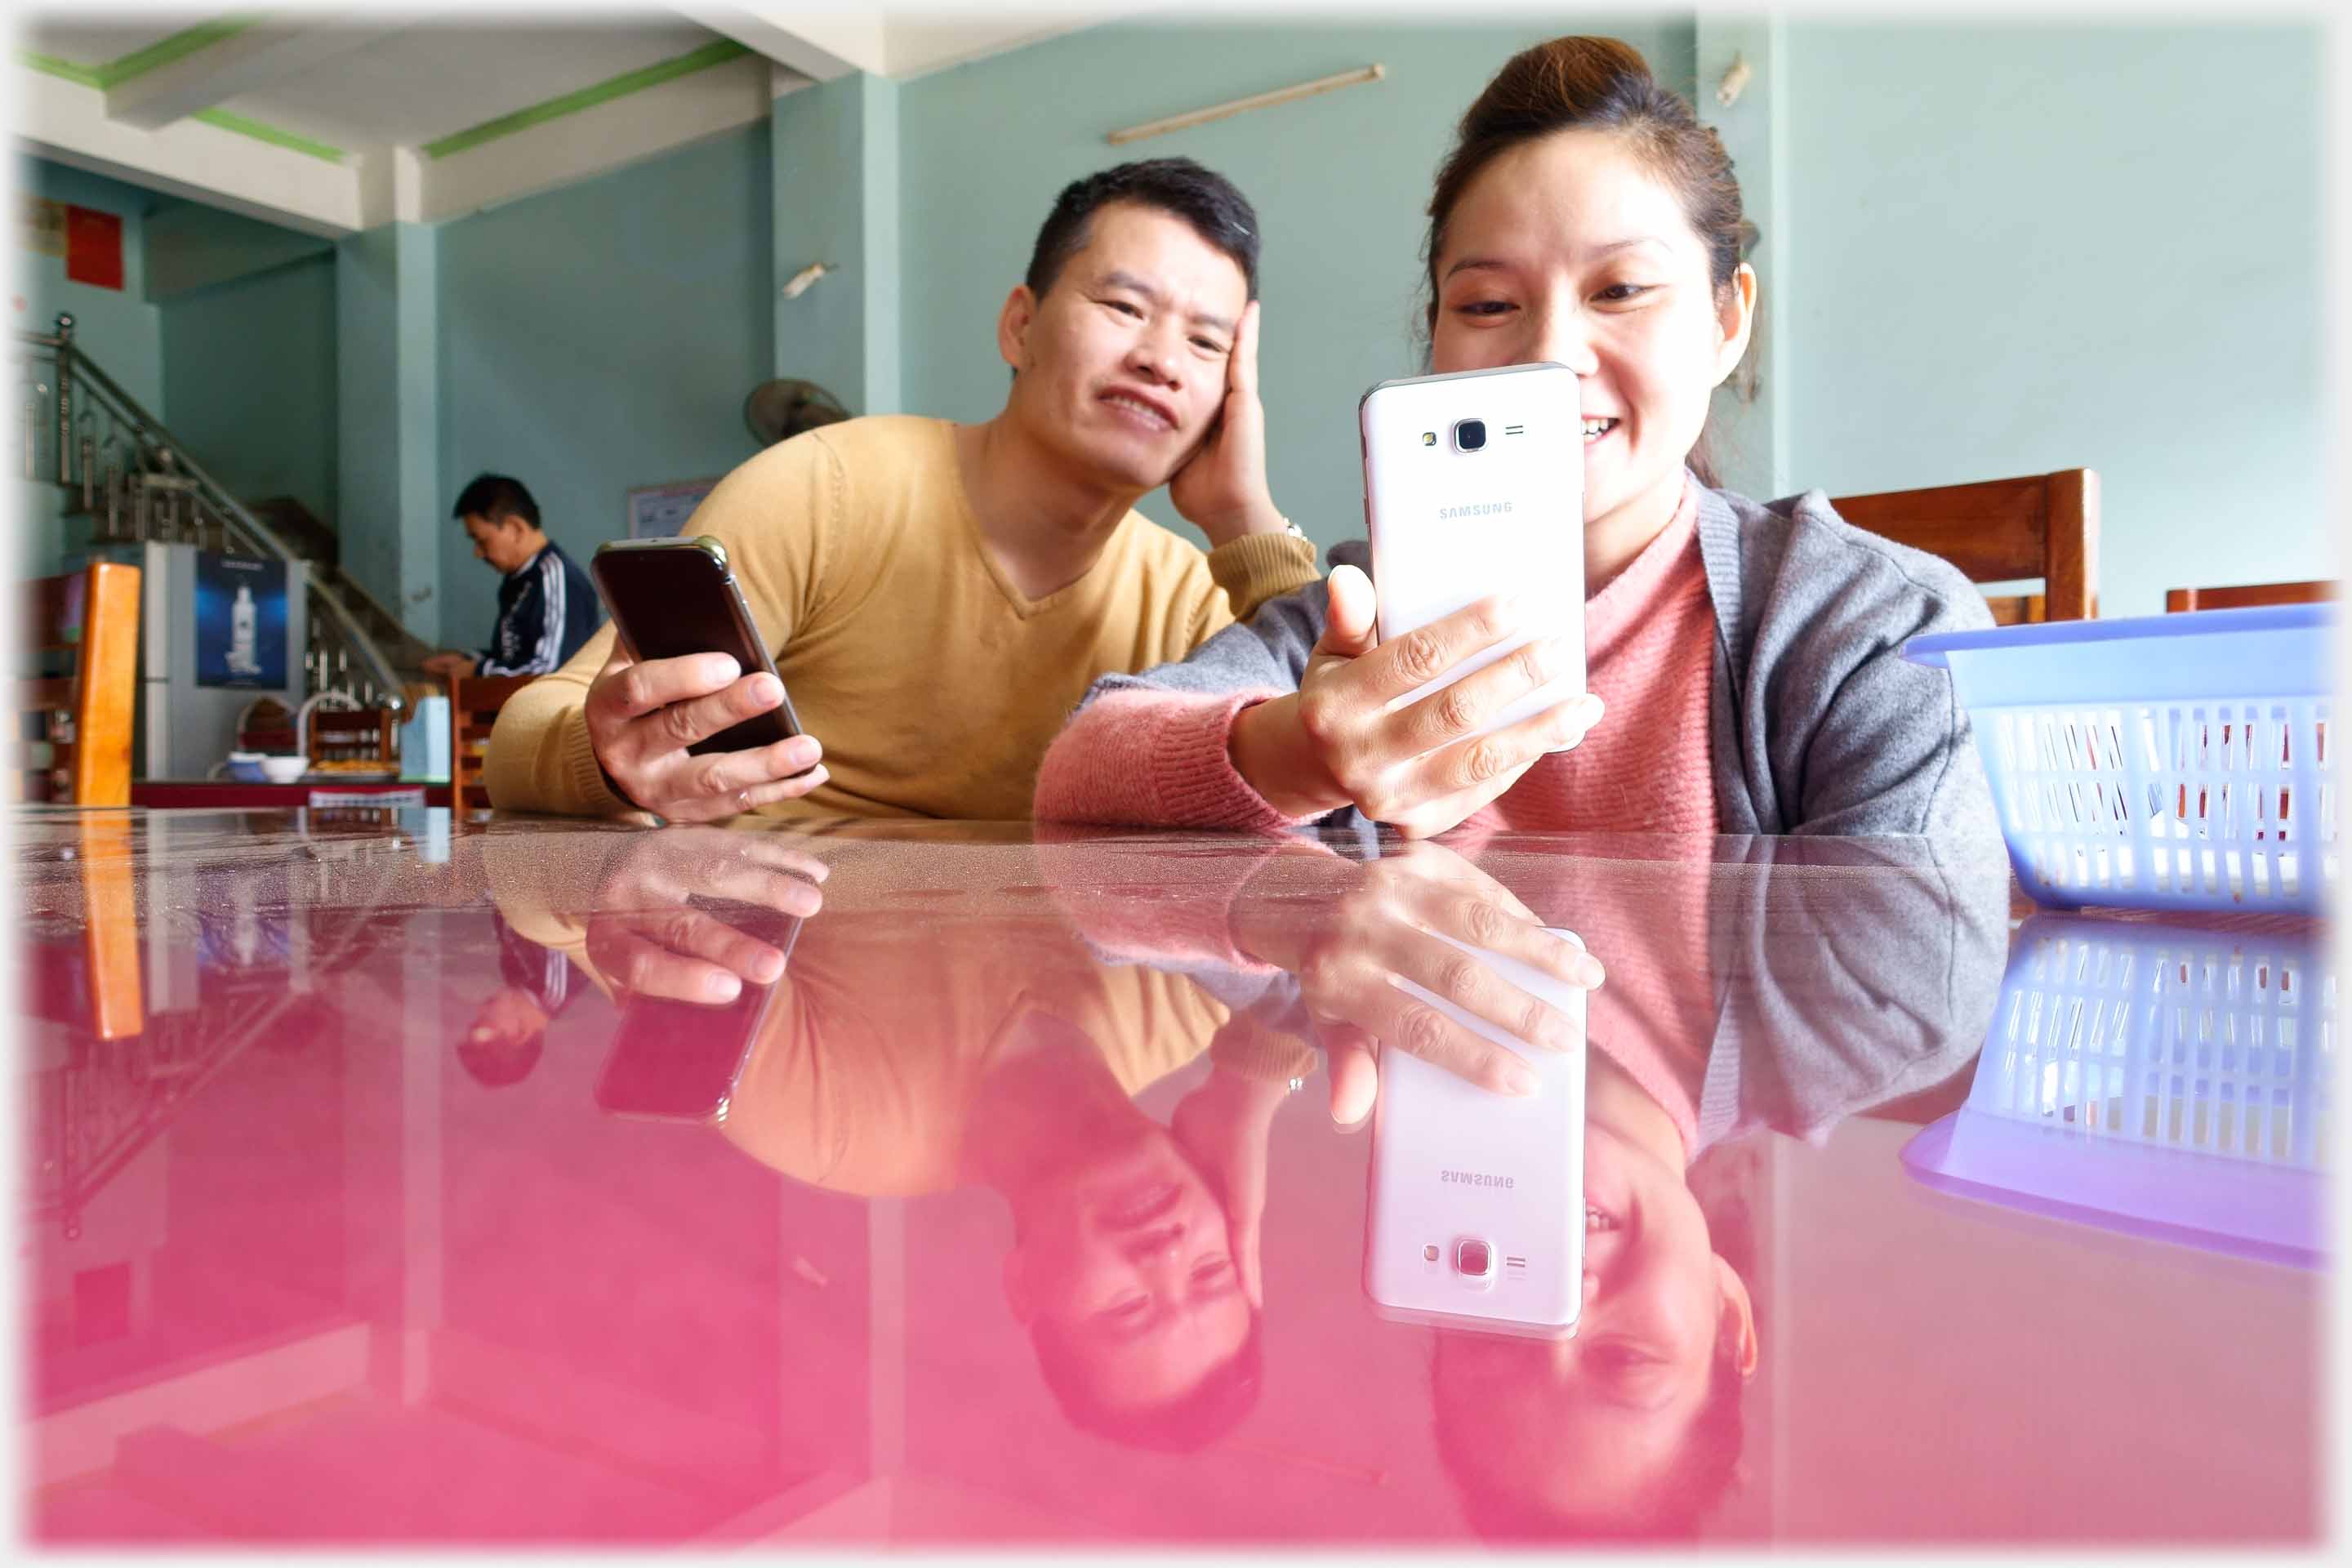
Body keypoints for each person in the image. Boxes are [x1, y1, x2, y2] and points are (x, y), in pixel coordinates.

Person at [1035, 36, 1998, 842]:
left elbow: (1896, 1018)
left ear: (1726, 319)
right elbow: (1082, 768)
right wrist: (1297, 755)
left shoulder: (1871, 632)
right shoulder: (1356, 616)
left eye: (1620, 290)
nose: (1549, 357)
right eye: (1490, 303)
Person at [486, 158, 1321, 824]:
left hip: (1058, 1000)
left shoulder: (1187, 594)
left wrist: (1243, 519)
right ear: (1020, 325)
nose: (1162, 360)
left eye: (1208, 343)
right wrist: (609, 763)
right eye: (1123, 306)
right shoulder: (828, 489)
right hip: (775, 980)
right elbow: (524, 732)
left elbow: (1345, 764)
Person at [421, 474, 600, 682]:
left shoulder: (556, 577)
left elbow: (551, 668)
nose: (478, 553)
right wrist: (467, 659)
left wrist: (479, 670)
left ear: (516, 528)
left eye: (482, 540)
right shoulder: (518, 579)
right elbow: (513, 656)